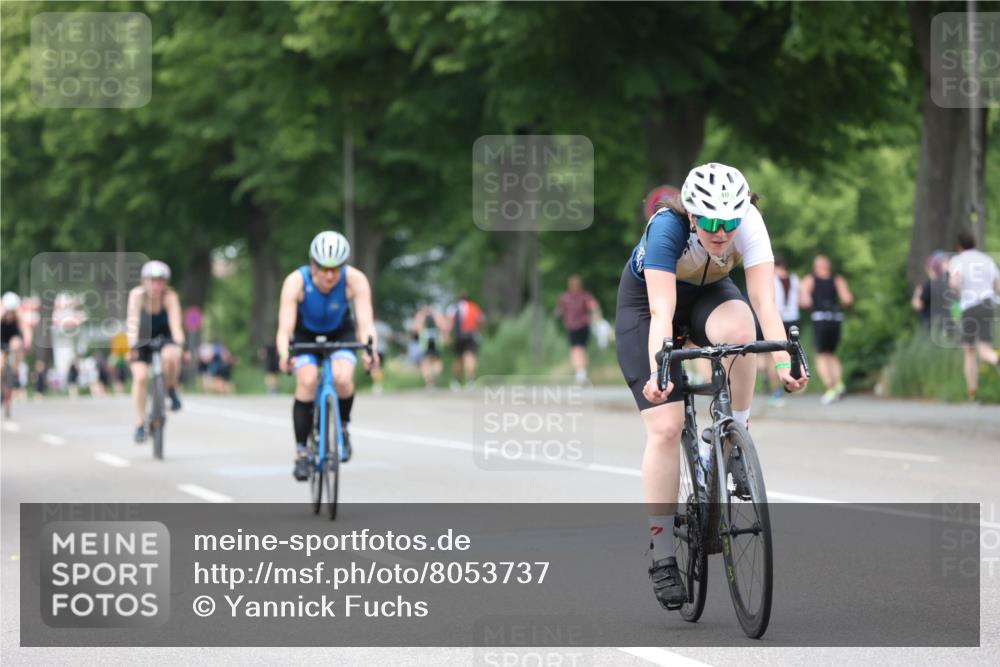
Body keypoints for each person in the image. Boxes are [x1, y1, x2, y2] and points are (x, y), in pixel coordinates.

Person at [615, 162, 807, 610]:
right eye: (711, 223)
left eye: (730, 222)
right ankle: (662, 554)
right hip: (649, 305)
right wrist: (661, 375)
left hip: (708, 296)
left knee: (742, 331)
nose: (722, 233)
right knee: (664, 428)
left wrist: (783, 362)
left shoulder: (749, 224)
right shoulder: (667, 228)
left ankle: (734, 434)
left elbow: (763, 301)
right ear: (693, 215)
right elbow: (662, 313)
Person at [275, 231, 378, 481]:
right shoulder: (295, 282)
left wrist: (370, 351)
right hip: (305, 335)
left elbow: (365, 323)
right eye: (323, 268)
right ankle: (302, 452)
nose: (330, 275)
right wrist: (284, 354)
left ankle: (342, 426)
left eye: (336, 269)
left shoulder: (355, 280)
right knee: (308, 381)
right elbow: (285, 328)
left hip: (340, 332)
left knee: (343, 379)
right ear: (313, 264)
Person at [126, 260, 185, 443]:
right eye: (151, 280)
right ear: (144, 281)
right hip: (141, 338)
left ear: (165, 282)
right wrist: (132, 346)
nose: (155, 285)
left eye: (160, 281)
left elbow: (176, 325)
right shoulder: (137, 296)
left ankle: (171, 387)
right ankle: (139, 423)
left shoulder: (170, 297)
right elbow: (132, 322)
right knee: (140, 377)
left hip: (164, 336)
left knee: (171, 356)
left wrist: (180, 344)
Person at [948, 231, 1000, 401]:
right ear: (974, 243)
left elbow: (954, 283)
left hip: (970, 307)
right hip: (987, 304)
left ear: (958, 247)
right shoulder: (987, 260)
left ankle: (972, 392)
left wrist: (956, 292)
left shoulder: (957, 260)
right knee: (985, 349)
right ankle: (996, 359)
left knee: (969, 351)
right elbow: (998, 286)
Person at [800, 255, 853, 404]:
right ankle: (839, 384)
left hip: (820, 319)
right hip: (835, 318)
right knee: (832, 354)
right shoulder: (837, 279)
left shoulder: (811, 279)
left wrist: (808, 301)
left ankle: (830, 388)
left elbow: (804, 300)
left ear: (816, 266)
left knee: (821, 355)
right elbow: (847, 299)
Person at [759, 255, 800, 407]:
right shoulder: (795, 279)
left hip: (777, 319)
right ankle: (795, 383)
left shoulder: (771, 280)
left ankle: (776, 391)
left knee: (774, 357)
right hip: (794, 319)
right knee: (794, 354)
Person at [556, 275, 600, 384]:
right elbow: (594, 306)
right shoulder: (583, 296)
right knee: (581, 349)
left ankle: (580, 373)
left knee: (576, 349)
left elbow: (558, 311)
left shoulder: (566, 297)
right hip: (580, 326)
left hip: (576, 326)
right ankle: (581, 373)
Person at [446, 291, 484, 389]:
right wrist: (479, 331)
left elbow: (449, 323)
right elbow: (482, 320)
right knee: (470, 357)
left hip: (459, 336)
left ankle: (456, 381)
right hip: (471, 335)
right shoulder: (474, 307)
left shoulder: (453, 307)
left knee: (458, 359)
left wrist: (447, 335)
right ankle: (471, 380)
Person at [912, 251, 953, 340]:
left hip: (930, 326)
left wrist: (917, 294)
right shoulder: (949, 285)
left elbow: (918, 306)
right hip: (946, 324)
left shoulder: (929, 286)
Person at [1, 292, 31, 395]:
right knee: (1, 364)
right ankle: (1, 386)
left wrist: (27, 343)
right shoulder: (1, 314)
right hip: (2, 338)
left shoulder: (18, 315)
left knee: (17, 345)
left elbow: (26, 329)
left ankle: (14, 373)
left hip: (13, 337)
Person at [413, 304, 445, 388]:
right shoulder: (437, 315)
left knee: (425, 362)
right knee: (437, 361)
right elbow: (443, 327)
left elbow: (416, 329)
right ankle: (434, 377)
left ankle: (429, 382)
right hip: (436, 340)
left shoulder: (420, 315)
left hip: (425, 341)